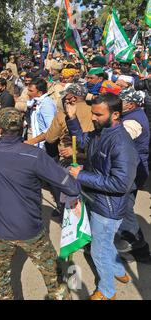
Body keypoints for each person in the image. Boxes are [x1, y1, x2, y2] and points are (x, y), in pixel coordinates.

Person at [0, 108, 79, 300]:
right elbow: (71, 187)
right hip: (30, 230)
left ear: (0, 130)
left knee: (0, 277)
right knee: (53, 274)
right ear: (23, 128)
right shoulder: (35, 155)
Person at [66, 93, 139, 300]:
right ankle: (118, 272)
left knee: (99, 250)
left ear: (115, 114)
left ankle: (107, 292)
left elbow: (121, 183)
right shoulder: (101, 131)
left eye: (98, 114)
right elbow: (82, 141)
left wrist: (82, 175)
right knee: (105, 244)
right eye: (92, 113)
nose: (93, 117)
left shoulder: (122, 145)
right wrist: (72, 118)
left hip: (108, 207)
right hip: (96, 199)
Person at [115, 89, 151, 264]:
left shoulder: (132, 121)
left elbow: (118, 142)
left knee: (125, 209)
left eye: (121, 101)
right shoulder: (134, 114)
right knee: (125, 207)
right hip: (133, 170)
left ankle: (139, 247)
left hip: (131, 172)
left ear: (130, 104)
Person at [25, 78, 57, 149]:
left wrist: (33, 141)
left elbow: (50, 128)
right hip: (38, 145)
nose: (28, 93)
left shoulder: (46, 104)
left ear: (40, 93)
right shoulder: (35, 102)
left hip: (46, 147)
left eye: (31, 91)